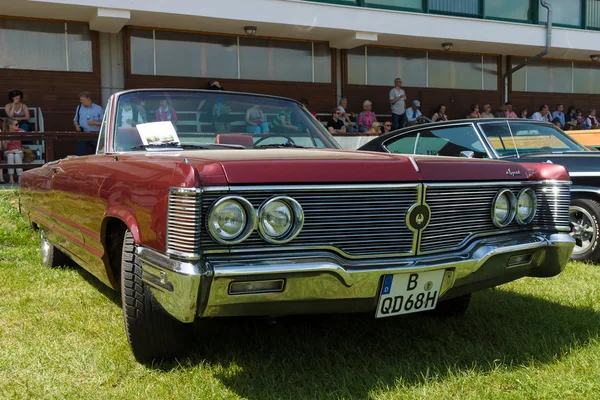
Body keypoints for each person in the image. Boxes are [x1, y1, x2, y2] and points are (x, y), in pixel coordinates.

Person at [73, 91, 104, 156]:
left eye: (82, 100)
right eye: (80, 99)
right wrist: (77, 126)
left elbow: (104, 123)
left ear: (88, 99)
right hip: (83, 134)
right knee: (80, 155)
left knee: (97, 155)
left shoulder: (98, 108)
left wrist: (95, 123)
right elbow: (75, 120)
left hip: (95, 135)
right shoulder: (79, 107)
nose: (81, 101)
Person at [1, 117, 24, 184]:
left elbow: (29, 135)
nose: (18, 126)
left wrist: (22, 132)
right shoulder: (4, 133)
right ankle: (11, 178)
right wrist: (6, 142)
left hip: (18, 151)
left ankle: (20, 177)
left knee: (16, 155)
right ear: (10, 126)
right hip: (7, 152)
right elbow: (3, 148)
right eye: (16, 124)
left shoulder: (19, 130)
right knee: (10, 155)